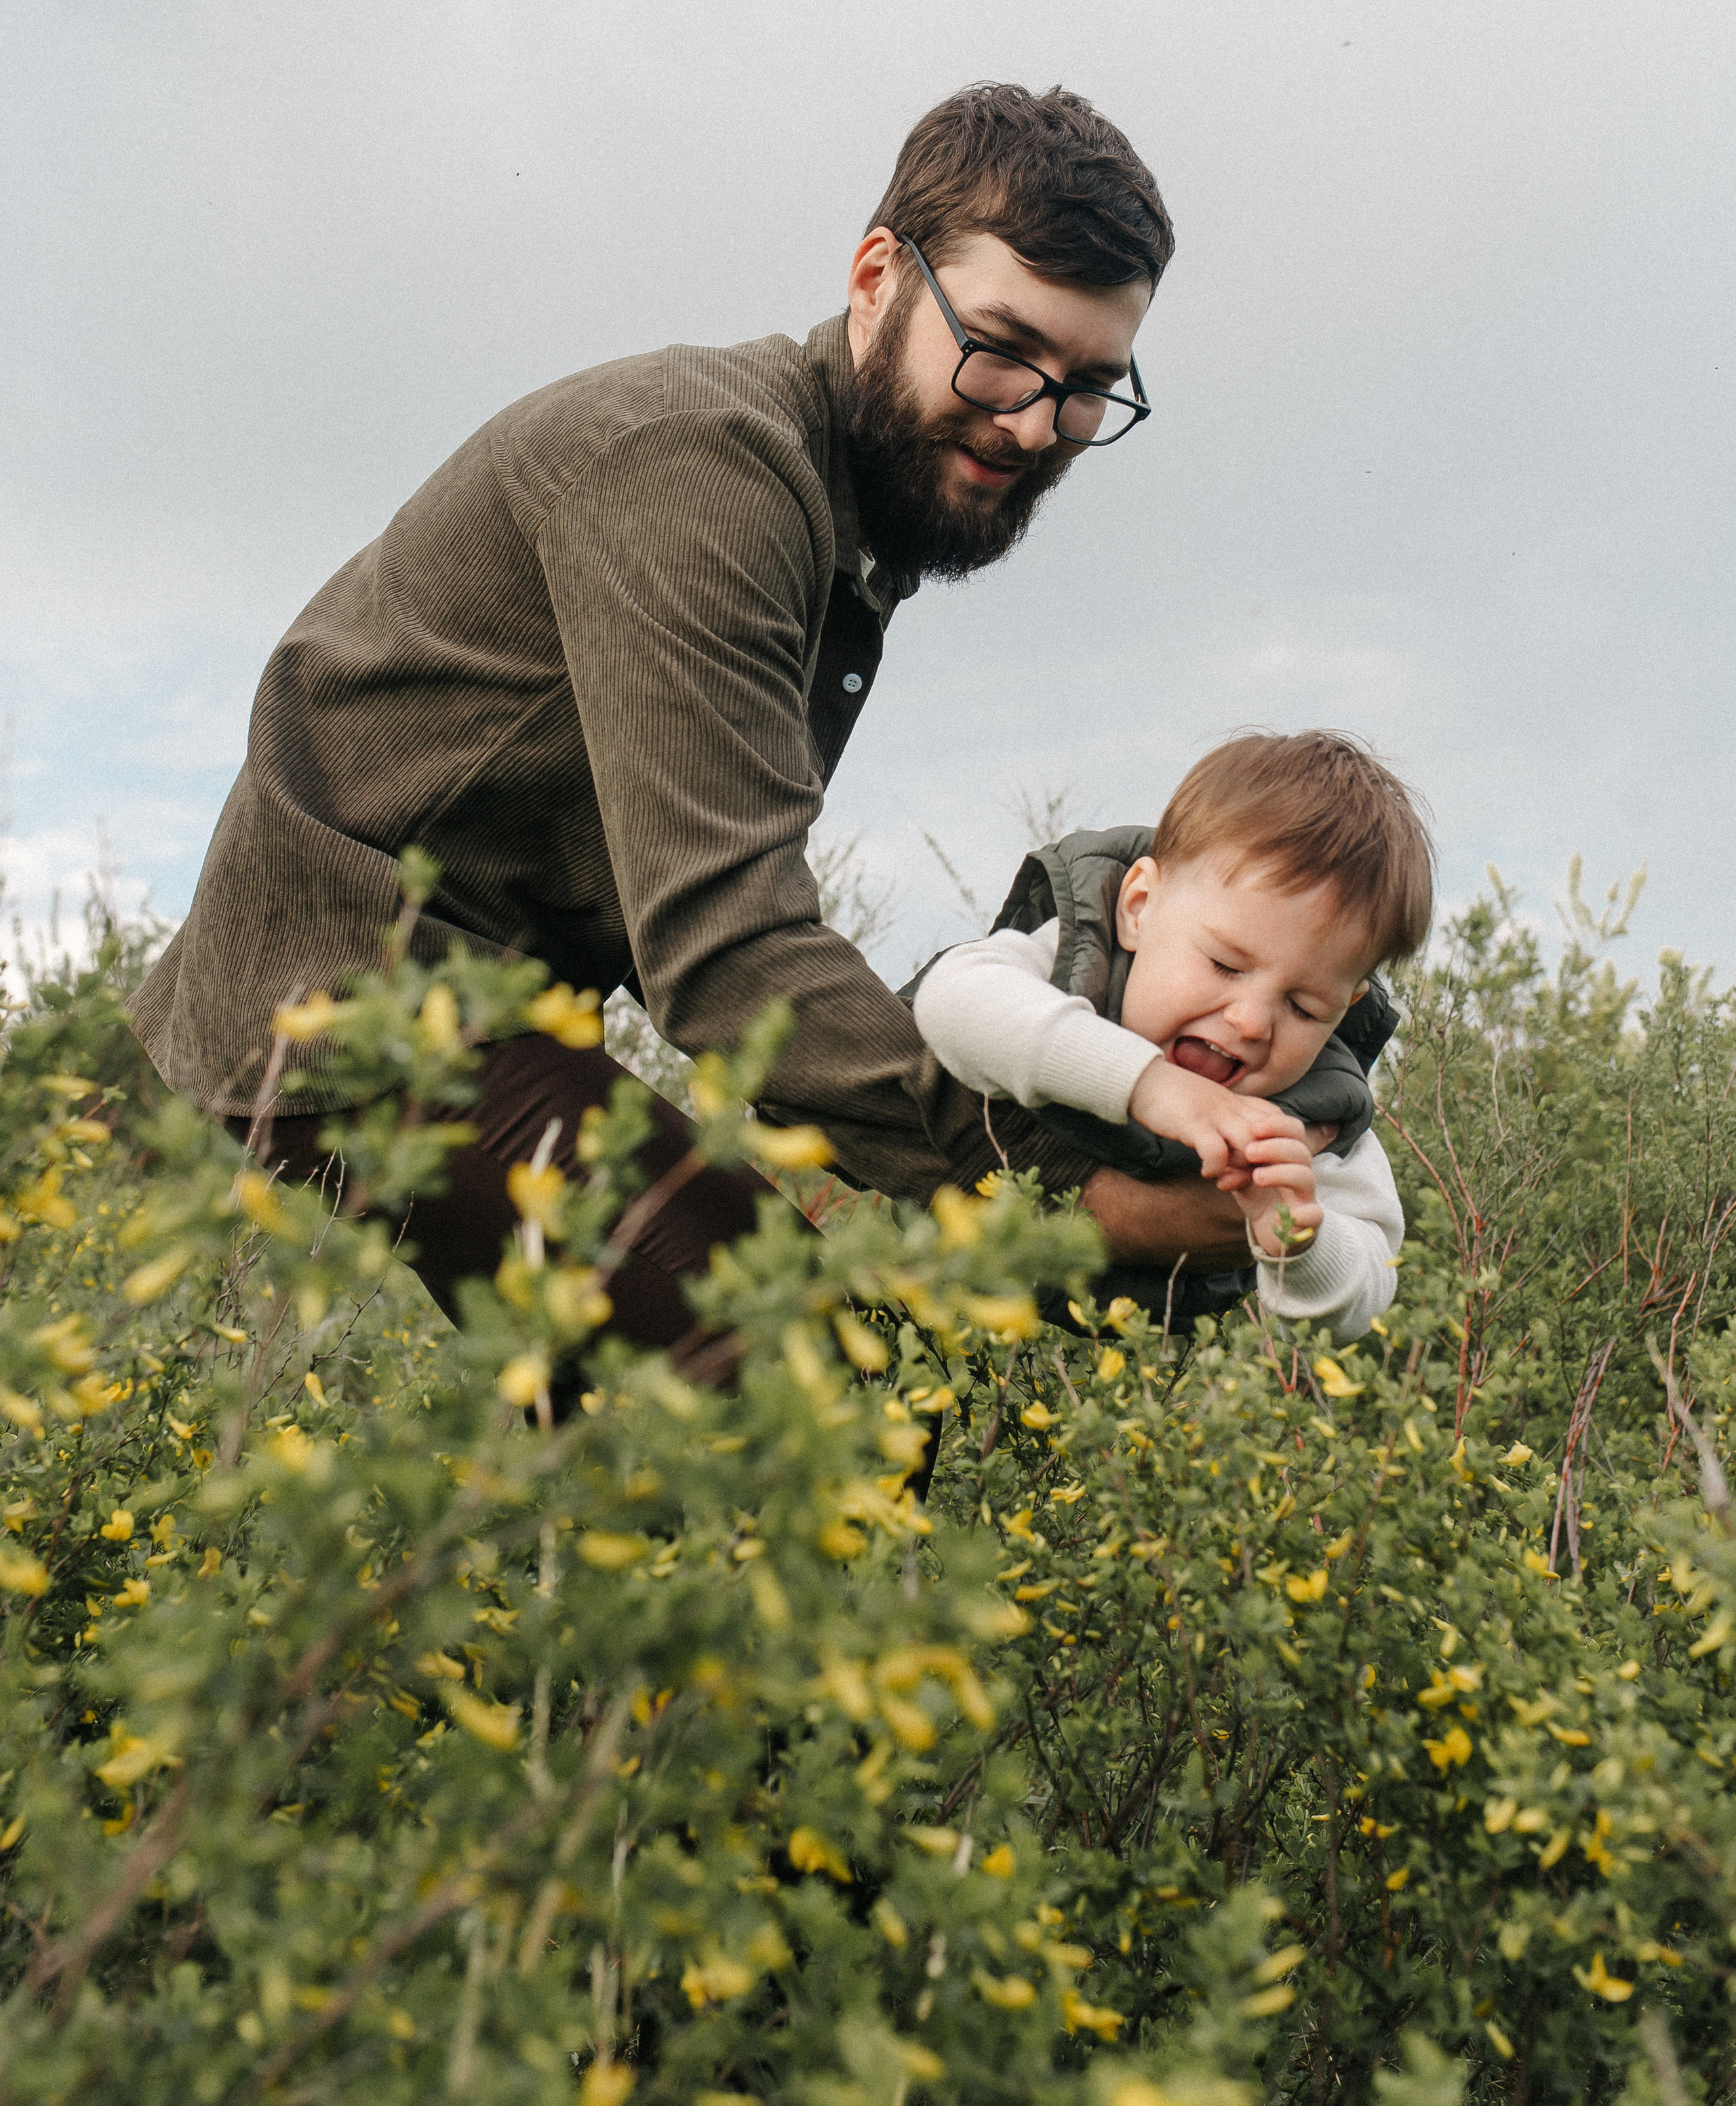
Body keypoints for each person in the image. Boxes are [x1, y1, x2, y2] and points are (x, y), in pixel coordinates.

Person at [130, 83, 1348, 1369]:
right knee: (818, 1396)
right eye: (1002, 348)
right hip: (346, 1001)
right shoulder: (704, 472)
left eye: (1091, 387)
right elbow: (725, 951)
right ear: (878, 274)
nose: (1037, 421)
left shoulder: (844, 506)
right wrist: (1058, 1194)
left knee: (707, 1406)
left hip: (479, 1011)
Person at [910, 733, 1434, 1342]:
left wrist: (1301, 1238)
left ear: (1346, 1008)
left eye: (1303, 1006)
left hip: (1128, 1385)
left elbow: (1371, 1283)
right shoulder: (1076, 963)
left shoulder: (1310, 1116)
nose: (1251, 1022)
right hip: (927, 1297)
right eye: (1225, 966)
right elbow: (952, 999)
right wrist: (1150, 1085)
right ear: (1139, 907)